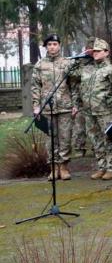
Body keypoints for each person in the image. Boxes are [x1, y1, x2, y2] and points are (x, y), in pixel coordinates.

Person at [32, 33, 80, 181]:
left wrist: (75, 104)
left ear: (59, 45)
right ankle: (53, 168)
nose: (52, 47)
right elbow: (35, 87)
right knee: (51, 138)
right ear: (46, 47)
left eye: (55, 44)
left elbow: (74, 86)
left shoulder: (67, 63)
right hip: (47, 108)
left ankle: (64, 167)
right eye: (49, 45)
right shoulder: (40, 65)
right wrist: (36, 105)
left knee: (65, 137)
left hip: (65, 106)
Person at [77, 39, 112, 180]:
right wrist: (83, 55)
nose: (95, 53)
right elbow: (72, 74)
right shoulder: (87, 69)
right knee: (95, 140)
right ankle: (101, 167)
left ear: (106, 52)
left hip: (106, 111)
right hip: (89, 111)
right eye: (93, 51)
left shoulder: (111, 70)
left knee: (109, 140)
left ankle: (111, 168)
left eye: (98, 51)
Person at [71, 38, 96, 158]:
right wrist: (75, 104)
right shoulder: (80, 63)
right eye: (88, 49)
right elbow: (75, 86)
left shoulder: (100, 62)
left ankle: (97, 148)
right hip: (81, 102)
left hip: (96, 102)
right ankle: (79, 148)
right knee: (79, 127)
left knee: (94, 127)